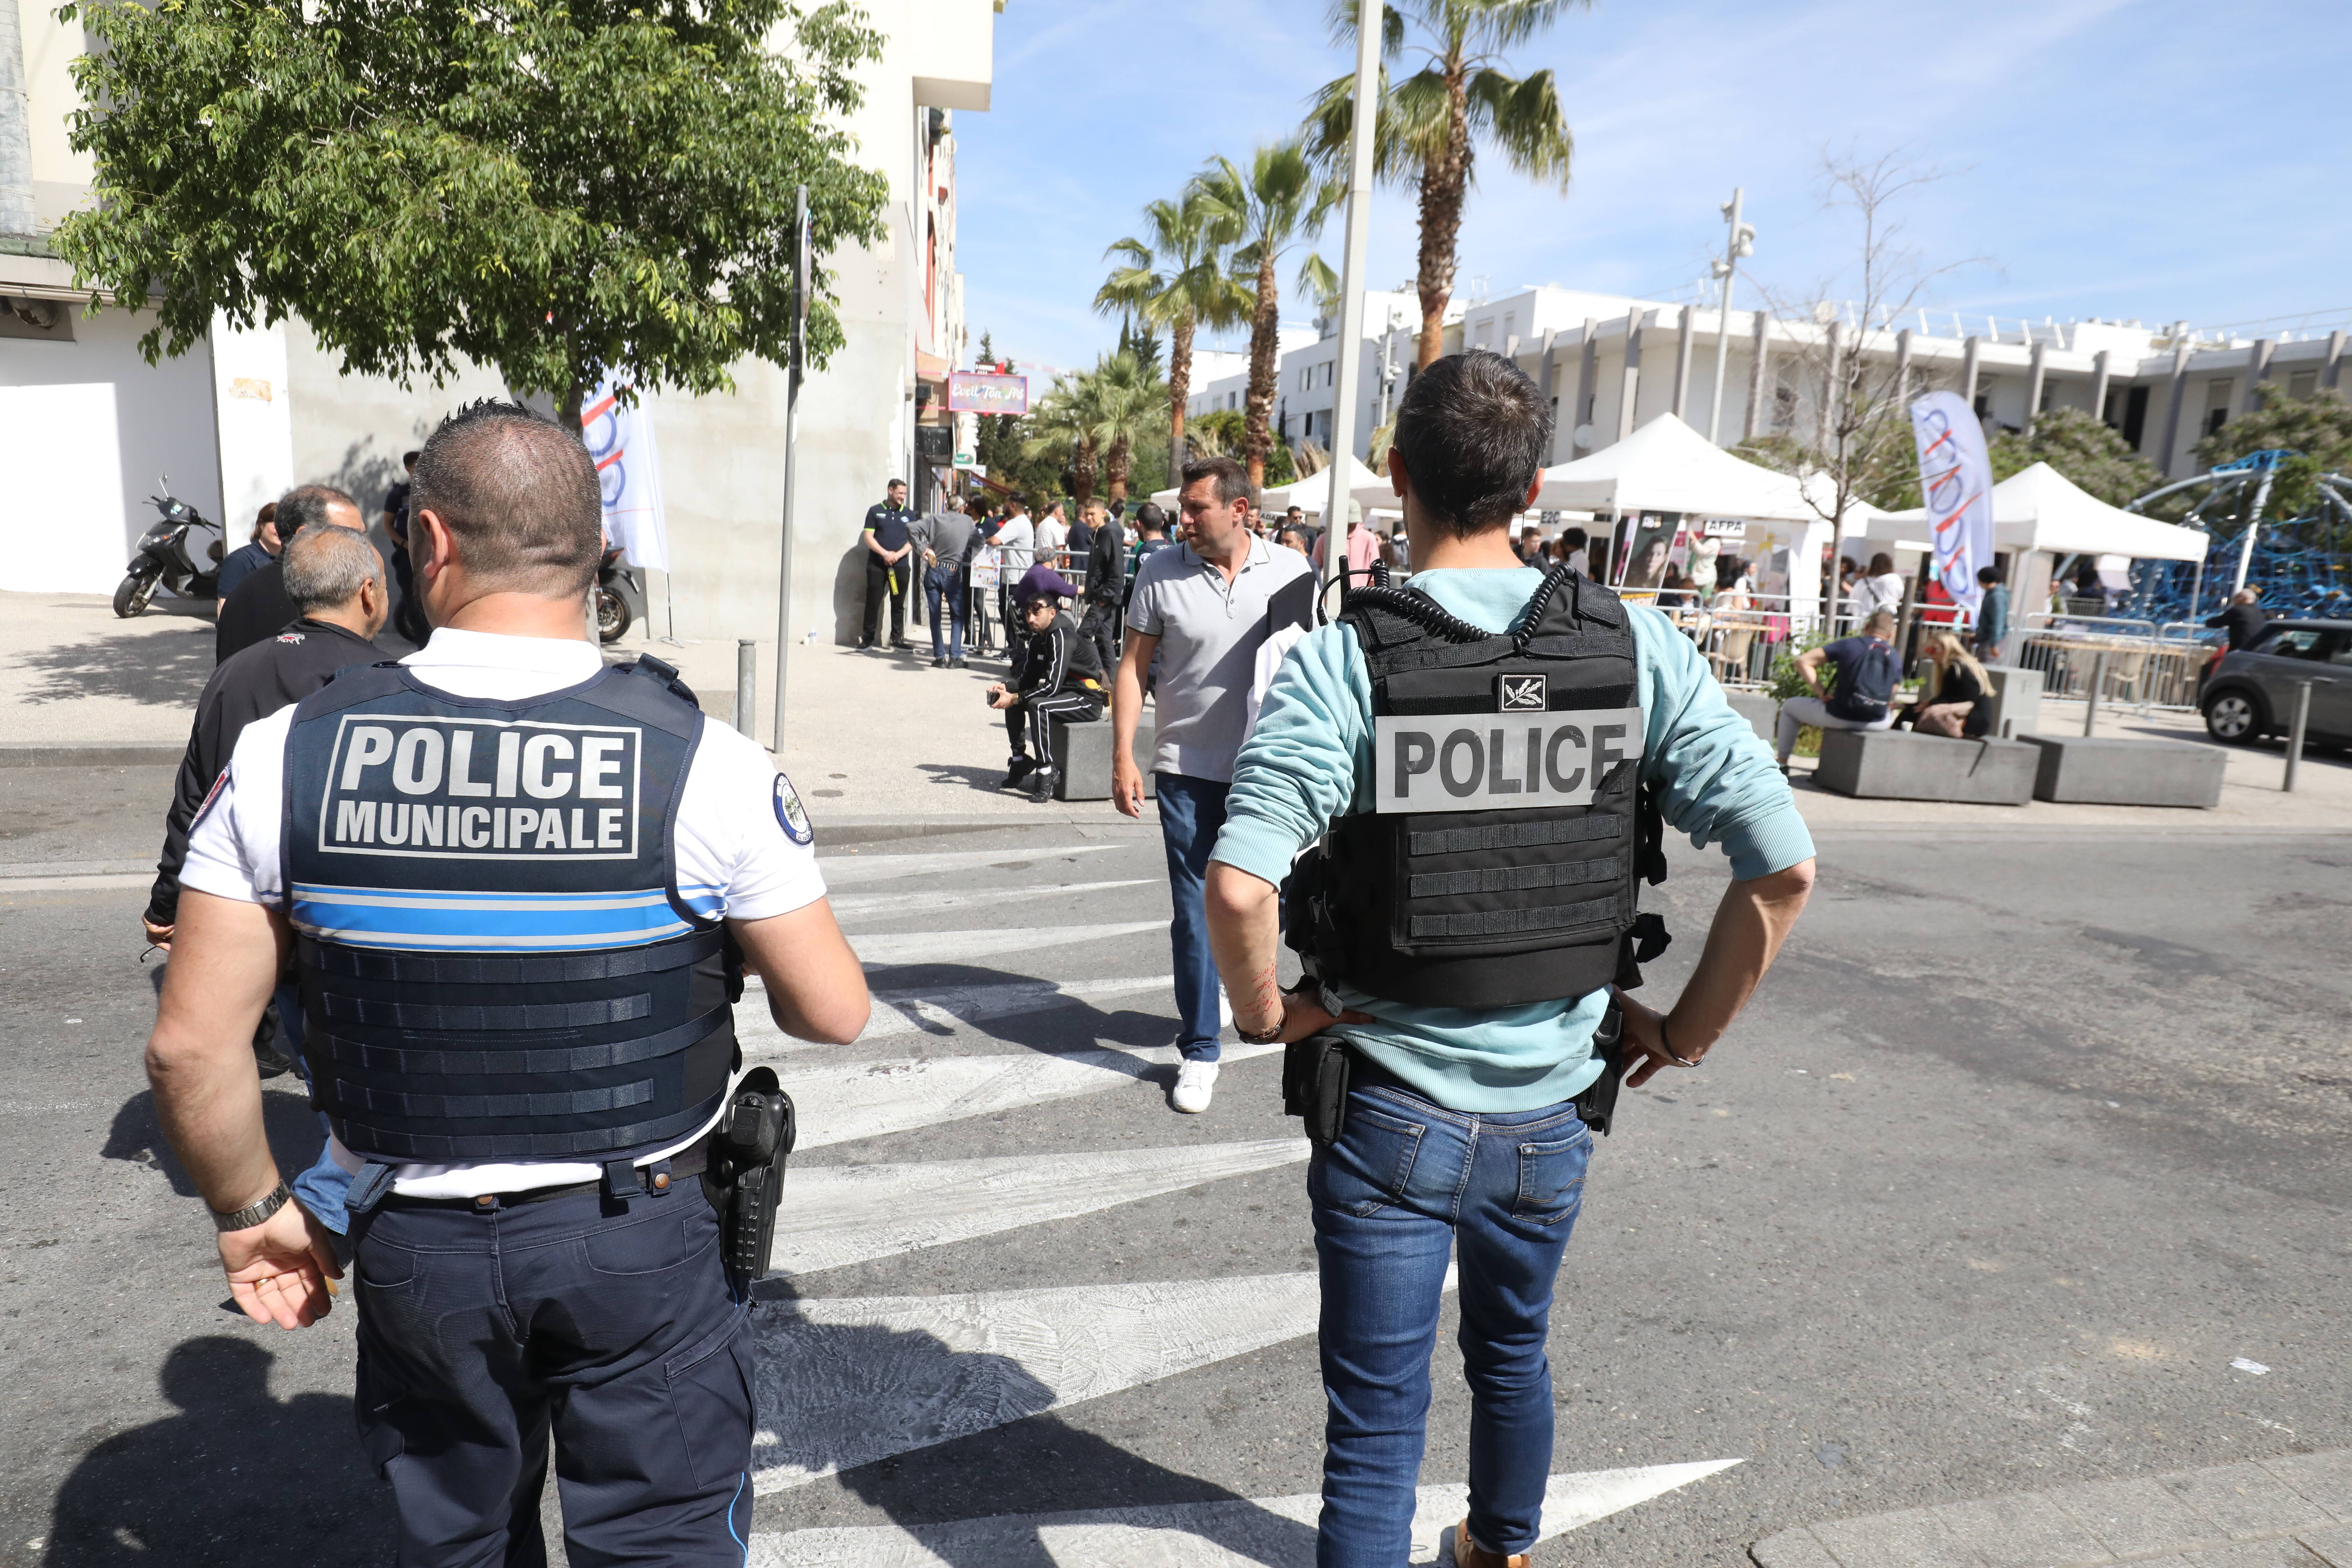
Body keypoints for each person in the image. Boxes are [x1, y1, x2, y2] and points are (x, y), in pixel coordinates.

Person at [144, 399, 870, 1565]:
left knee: (460, 1542)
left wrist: (251, 1215)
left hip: (413, 1245)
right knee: (665, 1541)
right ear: (596, 551)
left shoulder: (288, 753)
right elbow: (833, 1012)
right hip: (635, 1240)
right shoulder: (710, 764)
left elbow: (189, 1046)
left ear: (427, 544)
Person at [1197, 349, 1815, 1568]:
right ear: (1534, 486)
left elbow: (1237, 884)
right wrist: (1680, 1034)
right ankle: (1502, 1551)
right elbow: (1784, 869)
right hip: (1552, 1115)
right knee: (1514, 1355)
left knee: (1376, 1432)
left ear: (1397, 475)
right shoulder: (1636, 650)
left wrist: (1269, 1015)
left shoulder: (1347, 661)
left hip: (1387, 1106)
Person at [145, 525, 392, 1223]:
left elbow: (195, 800)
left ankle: (342, 1183)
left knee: (314, 1051)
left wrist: (169, 901)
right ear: (370, 591)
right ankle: (339, 1201)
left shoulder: (237, 671)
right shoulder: (378, 684)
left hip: (258, 909)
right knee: (358, 1073)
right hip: (344, 915)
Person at [1114, 456, 1313, 1115]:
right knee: (1197, 917)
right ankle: (1200, 1048)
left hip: (1271, 771)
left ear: (1240, 510)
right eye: (1182, 508)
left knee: (1261, 903)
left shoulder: (1292, 570)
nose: (1184, 520)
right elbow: (1133, 668)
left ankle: (1251, 997)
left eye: (1197, 508)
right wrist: (1124, 754)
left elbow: (1315, 666)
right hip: (1186, 771)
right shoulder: (1157, 570)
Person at [987, 568, 1108, 803]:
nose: (1031, 618)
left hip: (1086, 697)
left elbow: (1051, 688)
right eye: (1028, 613)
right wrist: (1005, 688)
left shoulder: (1061, 636)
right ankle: (1021, 760)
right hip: (1066, 692)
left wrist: (1015, 699)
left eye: (1037, 612)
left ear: (1053, 613)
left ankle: (1047, 771)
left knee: (1038, 705)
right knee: (1015, 691)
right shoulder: (1038, 639)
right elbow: (1027, 681)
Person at [213, 485, 370, 663]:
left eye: (364, 536)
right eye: (351, 535)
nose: (364, 546)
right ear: (306, 536)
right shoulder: (318, 596)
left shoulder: (247, 589)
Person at [1775, 608, 1901, 768]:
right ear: (1890, 634)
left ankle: (1783, 763)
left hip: (1839, 715)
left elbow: (1803, 661)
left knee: (1789, 707)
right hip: (1876, 722)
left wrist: (1821, 693)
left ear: (1867, 626)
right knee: (1889, 714)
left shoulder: (1851, 645)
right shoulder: (1895, 656)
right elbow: (1893, 690)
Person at [915, 495, 979, 668]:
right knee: (957, 616)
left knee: (935, 616)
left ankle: (939, 658)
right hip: (952, 571)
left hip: (934, 568)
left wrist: (922, 549)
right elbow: (979, 540)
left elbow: (911, 528)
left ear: (946, 506)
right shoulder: (967, 521)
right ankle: (955, 657)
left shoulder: (934, 519)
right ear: (961, 508)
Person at [860, 478, 917, 650]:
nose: (903, 497)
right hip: (878, 566)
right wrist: (885, 554)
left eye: (905, 494)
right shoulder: (875, 511)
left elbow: (913, 541)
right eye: (900, 493)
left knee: (898, 601)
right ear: (890, 491)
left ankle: (897, 640)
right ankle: (868, 639)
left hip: (898, 568)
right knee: (873, 601)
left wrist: (896, 556)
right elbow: (868, 537)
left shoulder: (910, 515)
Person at [380, 449, 430, 643]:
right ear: (408, 468)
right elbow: (387, 525)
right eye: (417, 467)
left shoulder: (432, 491)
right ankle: (423, 644)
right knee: (414, 602)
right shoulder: (399, 495)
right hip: (406, 557)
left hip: (430, 554)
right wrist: (404, 543)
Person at [1904, 629, 1993, 738]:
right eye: (1928, 650)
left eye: (1934, 649)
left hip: (1970, 720)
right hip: (1977, 719)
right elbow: (1948, 698)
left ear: (1946, 647)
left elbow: (1968, 697)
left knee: (1911, 715)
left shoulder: (1957, 667)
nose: (1931, 654)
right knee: (1911, 712)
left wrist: (1931, 703)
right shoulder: (1961, 665)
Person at [1078, 498, 1128, 673]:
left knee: (1083, 635)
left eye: (1093, 514)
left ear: (1103, 514)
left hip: (1105, 598)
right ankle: (1110, 681)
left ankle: (1101, 675)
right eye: (1087, 514)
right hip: (1101, 596)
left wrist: (1103, 598)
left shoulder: (1110, 534)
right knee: (1103, 639)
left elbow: (1117, 570)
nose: (1089, 518)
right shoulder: (1100, 533)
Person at [215, 503, 281, 602]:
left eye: (287, 526)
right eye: (276, 525)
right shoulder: (238, 561)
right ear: (262, 525)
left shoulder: (292, 560)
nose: (281, 530)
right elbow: (225, 609)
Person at [992, 497, 1037, 638]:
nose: (1004, 507)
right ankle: (1015, 649)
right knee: (1013, 614)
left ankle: (1014, 649)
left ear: (1012, 506)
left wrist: (984, 540)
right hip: (1019, 576)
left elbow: (996, 540)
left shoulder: (1015, 524)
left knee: (1011, 615)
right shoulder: (1025, 521)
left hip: (1014, 578)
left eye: (1006, 504)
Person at [1312, 500, 1380, 589]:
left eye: (1353, 522)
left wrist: (1371, 596)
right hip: (1330, 593)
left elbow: (1375, 572)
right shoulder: (1325, 539)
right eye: (1348, 522)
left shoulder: (1369, 538)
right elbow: (1315, 567)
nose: (1350, 526)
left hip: (1361, 595)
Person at [2206, 586, 2266, 651]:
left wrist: (2209, 620)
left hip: (2240, 650)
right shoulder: (2259, 612)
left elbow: (2216, 623)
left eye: (2236, 597)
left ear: (2241, 598)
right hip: (2256, 650)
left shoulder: (2238, 611)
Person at [1852, 552, 1906, 621]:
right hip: (1886, 621)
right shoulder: (1894, 579)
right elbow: (1901, 596)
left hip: (1863, 622)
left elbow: (1852, 604)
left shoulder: (1861, 582)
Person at [1973, 564, 2010, 660]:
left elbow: (1998, 620)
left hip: (1991, 641)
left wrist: (1994, 644)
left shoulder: (1996, 596)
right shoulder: (1994, 594)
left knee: (1988, 669)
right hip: (1989, 639)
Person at [1034, 499, 1070, 568]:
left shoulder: (1041, 524)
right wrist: (1064, 568)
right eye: (1062, 511)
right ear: (1057, 511)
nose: (1063, 513)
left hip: (1038, 564)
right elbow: (1061, 550)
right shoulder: (1057, 526)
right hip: (1051, 566)